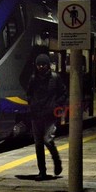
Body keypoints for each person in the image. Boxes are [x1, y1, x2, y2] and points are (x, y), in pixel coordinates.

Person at [26, 53, 67, 181]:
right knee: (38, 144)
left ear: (48, 65)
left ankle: (56, 160)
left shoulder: (55, 78)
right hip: (36, 114)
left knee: (48, 139)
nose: (41, 67)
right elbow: (29, 94)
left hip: (50, 114)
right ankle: (42, 171)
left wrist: (56, 104)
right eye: (39, 65)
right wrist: (32, 104)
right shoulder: (33, 79)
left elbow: (64, 93)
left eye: (43, 64)